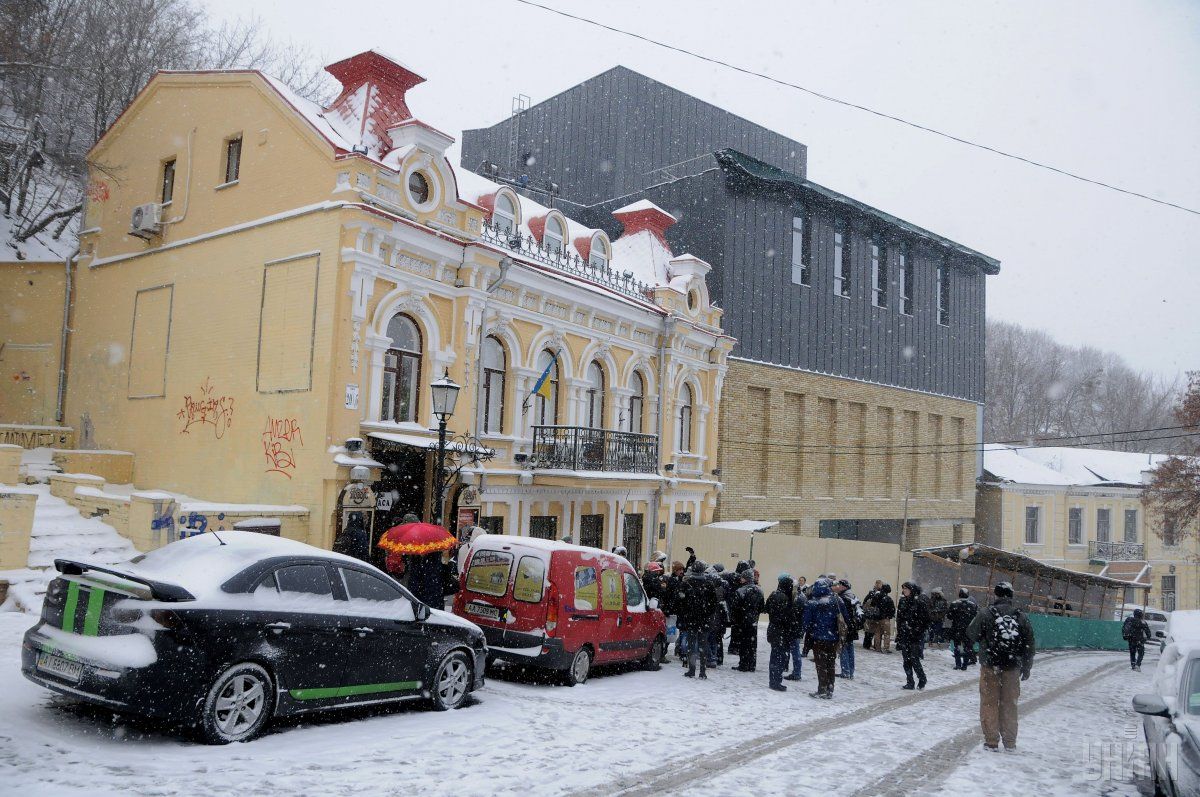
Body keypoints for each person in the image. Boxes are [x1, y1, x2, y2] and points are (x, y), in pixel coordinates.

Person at [967, 581, 1035, 751]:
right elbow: (1029, 643)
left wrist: (985, 639)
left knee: (989, 703)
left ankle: (991, 741)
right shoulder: (1020, 616)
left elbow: (971, 633)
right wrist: (1026, 667)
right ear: (1011, 596)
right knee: (1010, 704)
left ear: (995, 595)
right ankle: (1010, 742)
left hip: (991, 665)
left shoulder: (986, 613)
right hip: (1012, 667)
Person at [802, 578, 841, 699]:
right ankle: (830, 687)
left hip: (818, 638)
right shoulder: (836, 600)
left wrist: (810, 630)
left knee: (821, 664)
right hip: (833, 638)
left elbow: (806, 622)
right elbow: (844, 617)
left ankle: (822, 689)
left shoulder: (812, 603)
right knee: (830, 663)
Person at [679, 560, 716, 679]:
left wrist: (686, 613)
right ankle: (703, 671)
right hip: (704, 620)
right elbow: (713, 604)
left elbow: (681, 602)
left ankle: (691, 669)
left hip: (691, 620)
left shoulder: (686, 584)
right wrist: (707, 614)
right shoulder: (709, 584)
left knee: (691, 645)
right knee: (703, 645)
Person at [765, 574, 799, 691]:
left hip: (774, 629)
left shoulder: (774, 594)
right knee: (779, 657)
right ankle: (775, 681)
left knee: (775, 655)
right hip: (781, 632)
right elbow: (786, 617)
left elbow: (767, 608)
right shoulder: (784, 598)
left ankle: (774, 680)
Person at [896, 581, 929, 690]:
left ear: (912, 590)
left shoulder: (919, 602)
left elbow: (925, 620)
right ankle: (910, 681)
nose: (904, 590)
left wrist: (916, 630)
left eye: (906, 588)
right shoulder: (902, 601)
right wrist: (900, 634)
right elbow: (899, 618)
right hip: (905, 635)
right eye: (903, 588)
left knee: (914, 659)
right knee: (906, 660)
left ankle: (922, 678)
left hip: (915, 636)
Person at [733, 568, 764, 672]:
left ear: (746, 578)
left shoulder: (740, 591)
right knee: (752, 643)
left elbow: (736, 608)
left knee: (743, 643)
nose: (740, 579)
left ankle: (743, 664)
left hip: (743, 621)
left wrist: (737, 620)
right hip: (753, 621)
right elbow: (761, 607)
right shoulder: (759, 590)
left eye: (742, 577)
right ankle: (752, 664)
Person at [833, 579, 862, 680]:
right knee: (850, 649)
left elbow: (843, 614)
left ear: (844, 587)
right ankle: (850, 671)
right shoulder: (853, 596)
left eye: (839, 585)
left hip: (845, 627)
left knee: (843, 648)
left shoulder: (843, 598)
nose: (837, 587)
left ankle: (845, 671)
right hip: (852, 627)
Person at [947, 587, 979, 670]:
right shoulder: (972, 605)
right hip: (968, 630)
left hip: (956, 628)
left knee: (957, 646)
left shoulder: (954, 604)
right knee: (967, 647)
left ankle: (958, 664)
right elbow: (975, 617)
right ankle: (964, 665)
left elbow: (949, 616)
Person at [786, 583, 808, 681]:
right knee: (795, 651)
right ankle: (796, 672)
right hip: (798, 627)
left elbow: (794, 614)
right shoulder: (802, 597)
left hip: (795, 628)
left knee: (795, 651)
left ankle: (796, 673)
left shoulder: (797, 598)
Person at [872, 583, 896, 653]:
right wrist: (889, 615)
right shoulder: (888, 599)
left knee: (877, 633)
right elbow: (892, 609)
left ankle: (877, 647)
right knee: (887, 634)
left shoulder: (876, 596)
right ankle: (886, 648)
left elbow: (872, 605)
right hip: (885, 618)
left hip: (877, 618)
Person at [862, 580, 884, 650]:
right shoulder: (879, 593)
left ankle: (867, 644)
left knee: (869, 630)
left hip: (870, 613)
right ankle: (873, 645)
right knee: (874, 631)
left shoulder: (872, 593)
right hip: (874, 613)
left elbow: (865, 601)